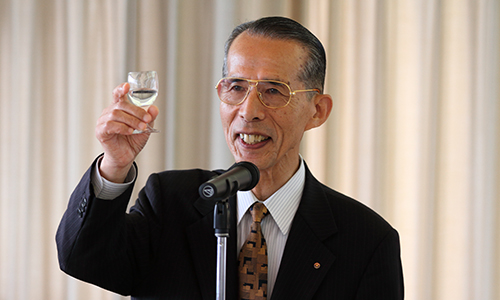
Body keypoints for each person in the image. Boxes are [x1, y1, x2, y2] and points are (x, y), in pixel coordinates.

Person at [56, 16, 404, 300]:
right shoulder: (171, 200)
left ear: (317, 110)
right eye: (236, 87)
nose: (248, 111)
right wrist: (114, 166)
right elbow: (83, 260)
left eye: (272, 91)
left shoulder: (367, 241)